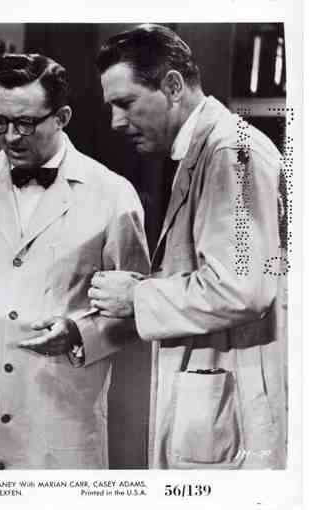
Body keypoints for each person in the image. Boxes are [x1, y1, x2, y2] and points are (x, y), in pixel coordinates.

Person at [0, 53, 149, 469]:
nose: (11, 137)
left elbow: (138, 307)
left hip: (59, 415)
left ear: (62, 117)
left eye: (25, 123)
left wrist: (79, 332)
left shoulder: (112, 194)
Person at [89, 24, 286, 469]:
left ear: (173, 86)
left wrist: (138, 296)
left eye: (126, 103)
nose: (116, 121)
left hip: (239, 406)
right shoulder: (206, 151)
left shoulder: (231, 152)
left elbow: (241, 289)